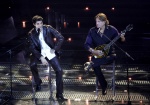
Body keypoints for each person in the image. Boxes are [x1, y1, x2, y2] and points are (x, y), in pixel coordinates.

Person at [84, 13, 125, 95]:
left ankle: (91, 64)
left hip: (110, 55)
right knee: (96, 65)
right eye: (96, 21)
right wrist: (93, 51)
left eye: (98, 21)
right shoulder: (92, 31)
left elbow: (121, 41)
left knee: (96, 63)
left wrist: (122, 37)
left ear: (104, 22)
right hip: (98, 55)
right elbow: (86, 44)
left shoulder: (112, 29)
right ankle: (104, 85)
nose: (96, 23)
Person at [28, 15, 67, 100]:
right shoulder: (31, 33)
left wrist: (55, 48)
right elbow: (32, 48)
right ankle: (38, 82)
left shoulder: (48, 28)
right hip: (38, 53)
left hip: (49, 51)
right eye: (38, 24)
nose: (40, 25)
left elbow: (61, 38)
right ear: (34, 24)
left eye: (41, 23)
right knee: (32, 64)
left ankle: (59, 94)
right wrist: (41, 57)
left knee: (59, 70)